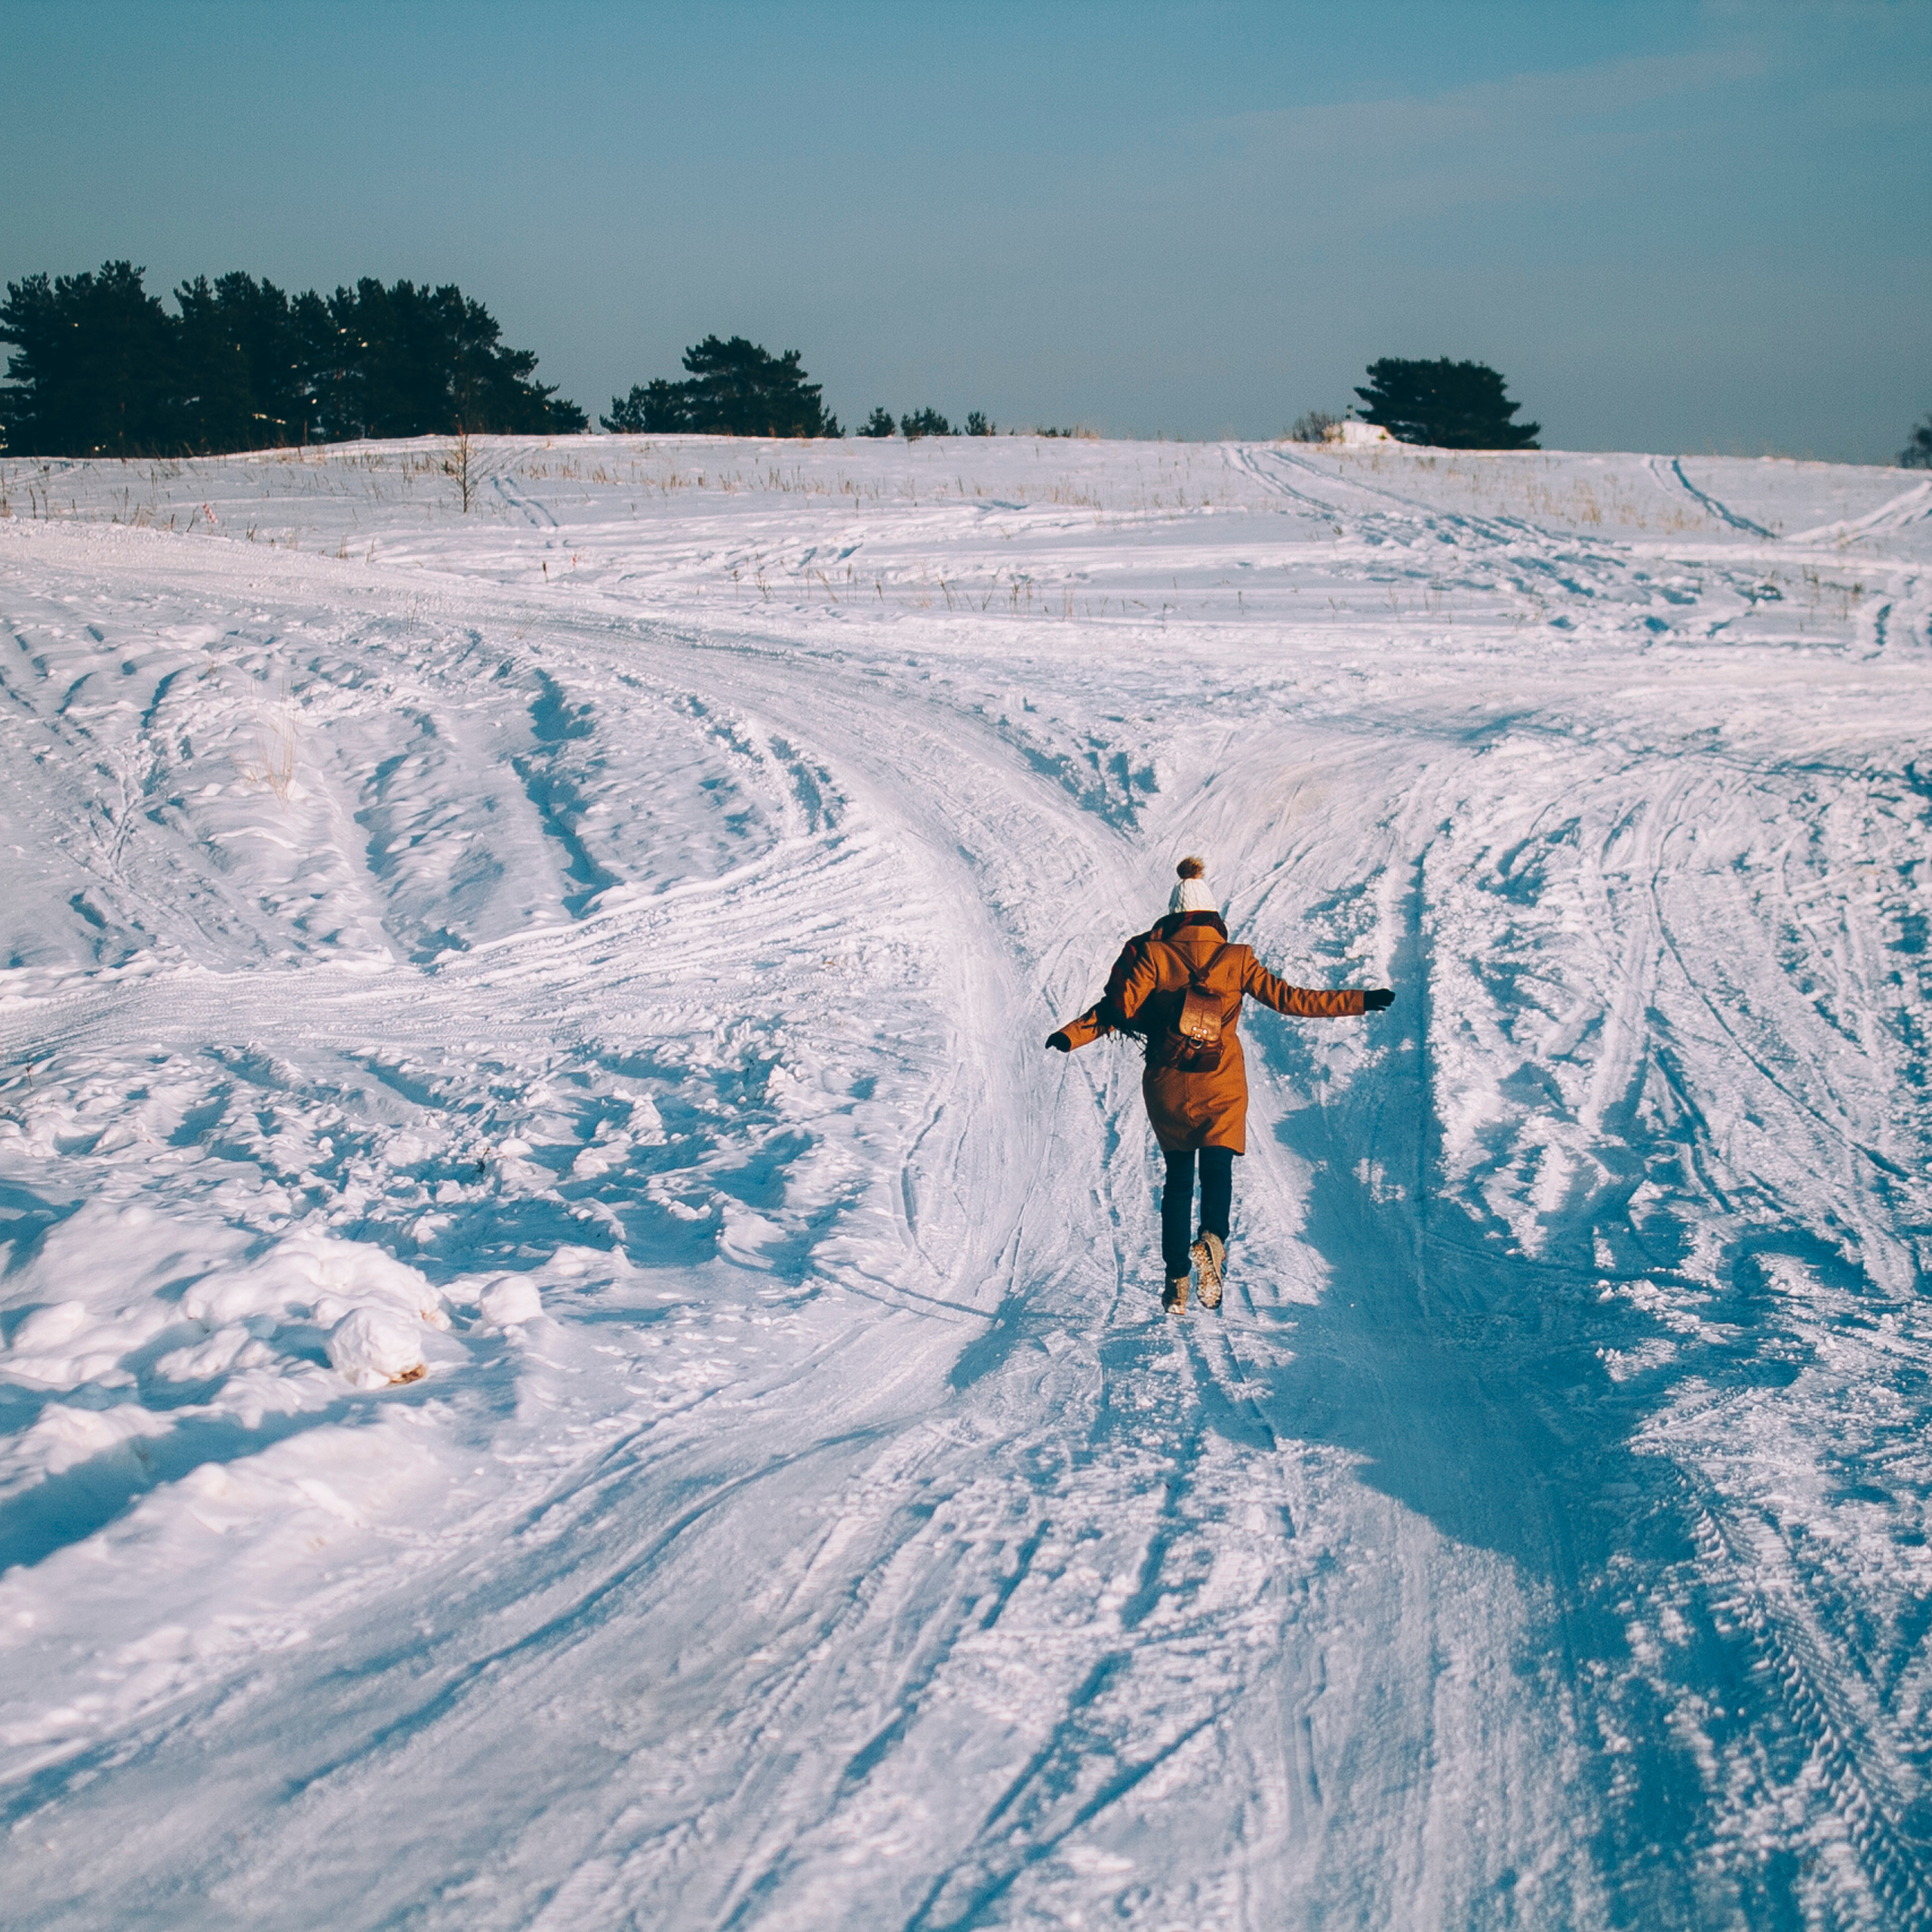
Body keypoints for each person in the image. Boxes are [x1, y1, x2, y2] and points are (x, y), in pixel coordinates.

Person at [1048, 857, 1393, 1312]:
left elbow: (1116, 1009)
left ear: (1172, 918)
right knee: (1217, 1170)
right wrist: (1361, 1000)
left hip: (1169, 1084)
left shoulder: (1153, 955)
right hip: (1221, 1080)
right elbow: (1294, 1000)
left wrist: (1071, 1034)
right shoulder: (1237, 959)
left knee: (1177, 1183)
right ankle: (1212, 1237)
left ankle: (1176, 1285)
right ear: (1213, 918)